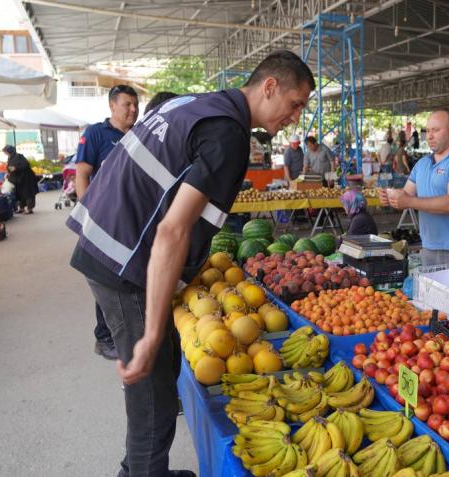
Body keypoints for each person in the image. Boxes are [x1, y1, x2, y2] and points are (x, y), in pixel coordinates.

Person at [66, 50, 314, 477]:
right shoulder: (229, 133)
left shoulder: (198, 104)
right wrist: (152, 332)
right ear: (270, 87)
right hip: (124, 259)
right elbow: (172, 231)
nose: (295, 118)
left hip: (109, 242)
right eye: (295, 105)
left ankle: (138, 470)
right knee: (154, 393)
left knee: (162, 371)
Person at [75, 84, 140, 361]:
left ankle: (125, 332)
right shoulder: (95, 133)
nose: (133, 110)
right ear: (112, 106)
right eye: (127, 104)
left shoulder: (140, 133)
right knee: (105, 279)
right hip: (104, 220)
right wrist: (87, 215)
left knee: (125, 278)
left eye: (136, 105)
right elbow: (82, 174)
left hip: (132, 221)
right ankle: (104, 338)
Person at [380, 108, 449, 276]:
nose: (429, 136)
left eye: (435, 130)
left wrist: (408, 201)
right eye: (428, 131)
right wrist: (391, 197)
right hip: (429, 248)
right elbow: (406, 195)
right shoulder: (422, 164)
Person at [3, 145, 38, 214]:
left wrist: (16, 168)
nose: (5, 153)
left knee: (28, 193)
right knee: (19, 193)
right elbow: (9, 167)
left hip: (26, 178)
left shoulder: (19, 156)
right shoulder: (10, 158)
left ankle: (30, 208)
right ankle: (21, 208)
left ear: (9, 151)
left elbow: (26, 165)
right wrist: (8, 172)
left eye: (5, 152)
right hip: (18, 179)